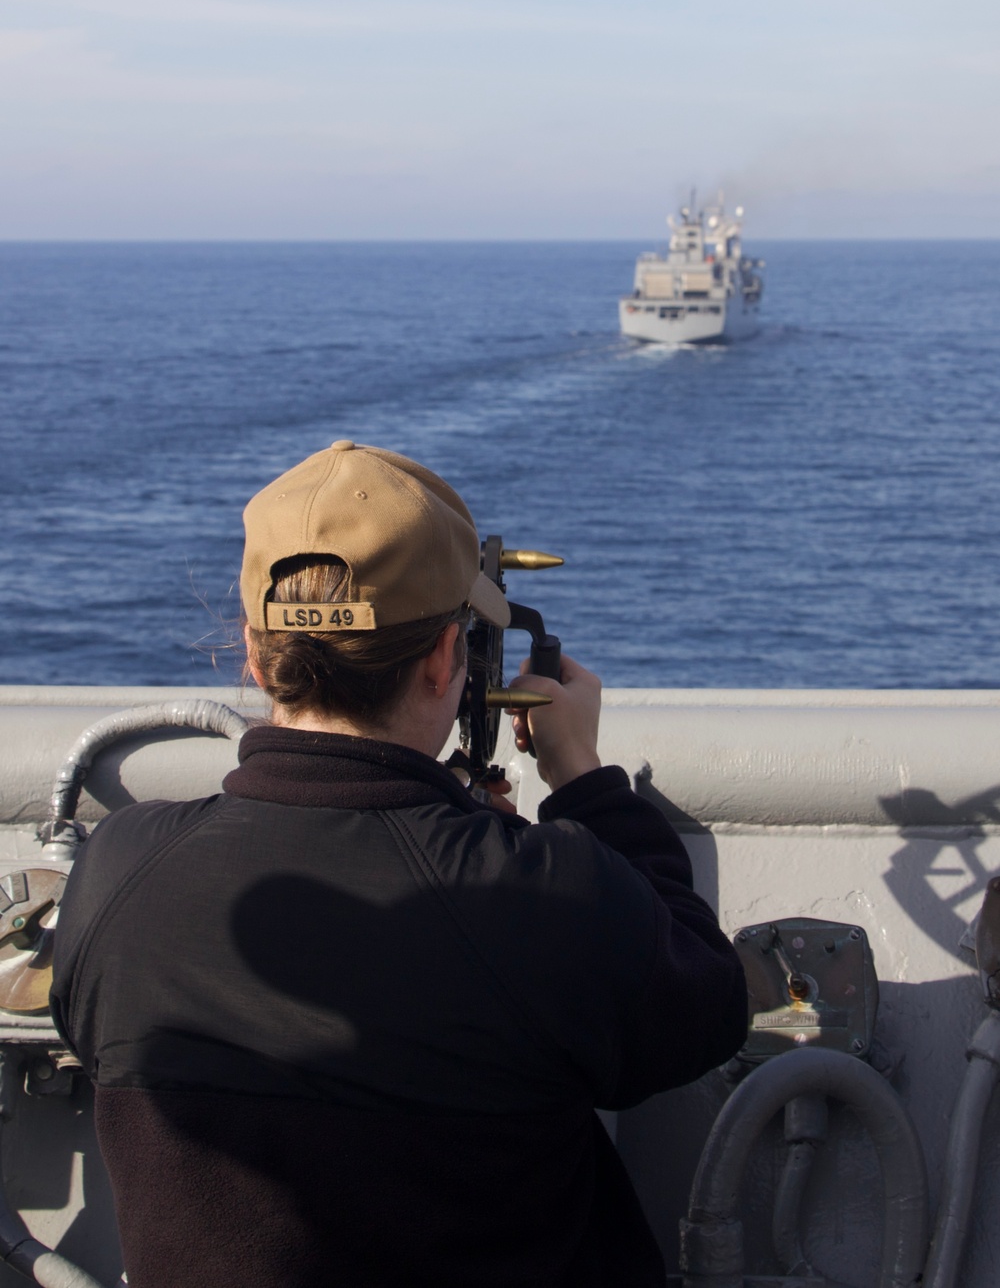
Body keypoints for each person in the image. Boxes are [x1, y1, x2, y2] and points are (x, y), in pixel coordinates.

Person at [51, 439, 747, 1288]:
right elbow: (704, 1008)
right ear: (446, 660)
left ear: (253, 651)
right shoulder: (539, 898)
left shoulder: (119, 871)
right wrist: (585, 784)